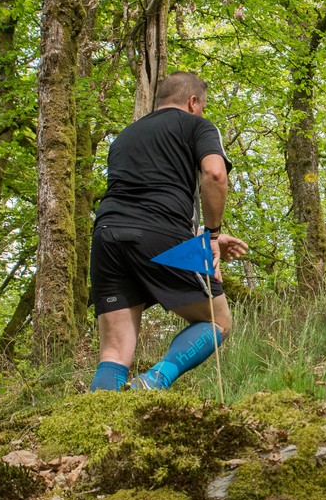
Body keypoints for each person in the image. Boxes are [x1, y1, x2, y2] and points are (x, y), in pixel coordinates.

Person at [88, 71, 248, 391]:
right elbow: (215, 175)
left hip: (107, 234)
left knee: (115, 350)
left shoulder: (124, 137)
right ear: (192, 102)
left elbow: (143, 201)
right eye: (201, 106)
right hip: (160, 234)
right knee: (217, 321)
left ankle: (98, 425)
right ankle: (153, 382)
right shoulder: (197, 125)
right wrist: (212, 236)